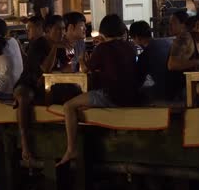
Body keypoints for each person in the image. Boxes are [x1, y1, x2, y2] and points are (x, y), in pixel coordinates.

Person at [57, 14, 138, 166]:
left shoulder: (103, 48)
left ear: (103, 31)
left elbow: (85, 70)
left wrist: (81, 60)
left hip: (111, 96)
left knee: (68, 106)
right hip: (131, 96)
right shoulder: (130, 46)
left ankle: (71, 148)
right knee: (84, 103)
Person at [14, 15, 65, 161]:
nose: (61, 33)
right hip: (28, 84)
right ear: (48, 30)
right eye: (58, 29)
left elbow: (64, 67)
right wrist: (55, 47)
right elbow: (45, 68)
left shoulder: (60, 45)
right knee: (24, 98)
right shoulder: (38, 44)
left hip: (48, 85)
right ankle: (24, 142)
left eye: (63, 29)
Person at [130, 21, 171, 101]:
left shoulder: (145, 55)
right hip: (178, 86)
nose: (133, 42)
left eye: (133, 39)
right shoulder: (166, 42)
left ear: (137, 38)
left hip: (166, 91)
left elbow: (138, 81)